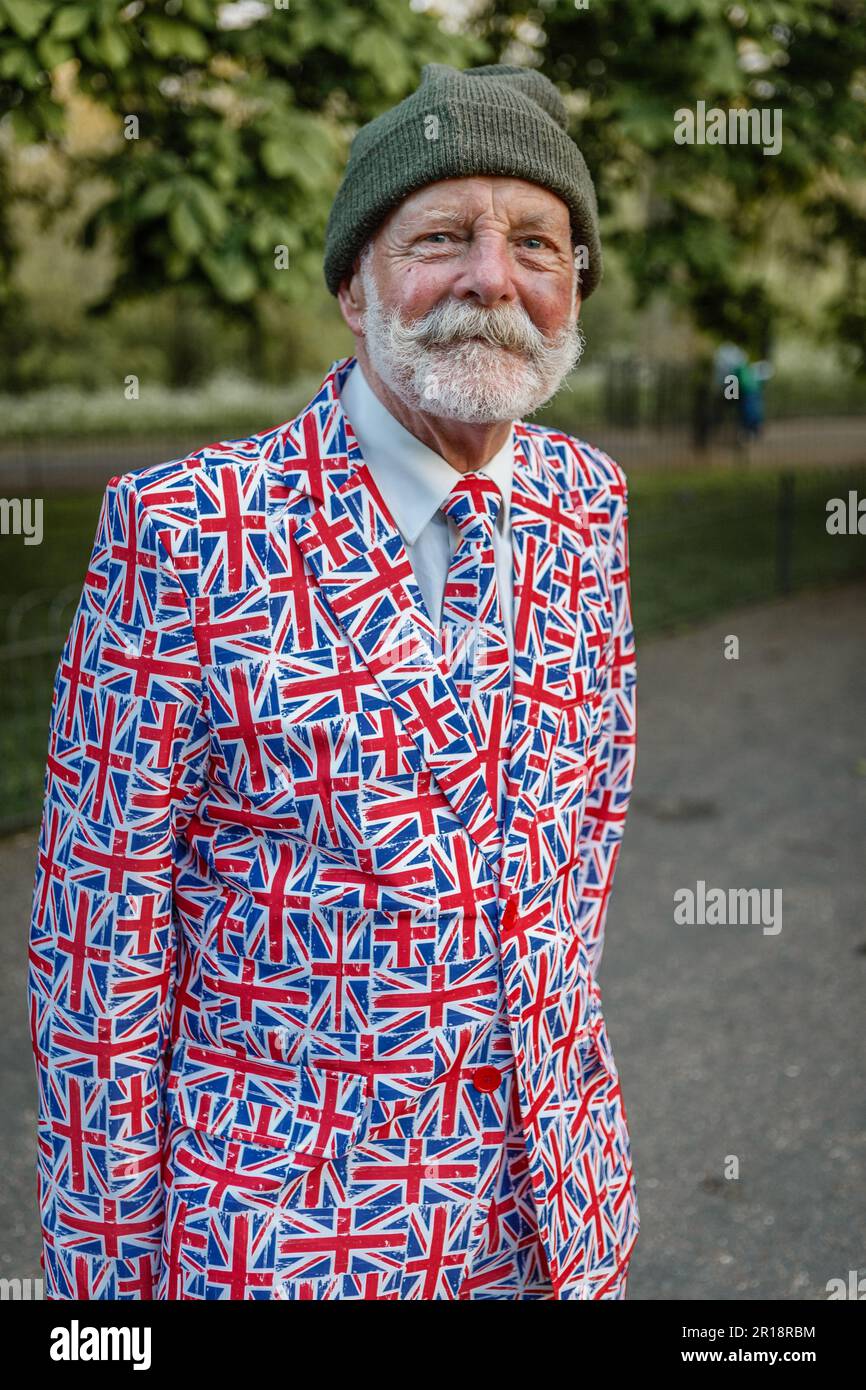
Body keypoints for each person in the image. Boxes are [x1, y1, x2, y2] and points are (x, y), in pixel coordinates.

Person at [27, 62, 639, 1300]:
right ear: (355, 287)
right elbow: (99, 948)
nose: (489, 275)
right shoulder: (184, 529)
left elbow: (587, 833)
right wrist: (103, 1287)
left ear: (572, 286)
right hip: (285, 1240)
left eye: (535, 240)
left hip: (555, 1221)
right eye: (439, 236)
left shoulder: (589, 504)